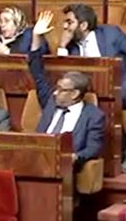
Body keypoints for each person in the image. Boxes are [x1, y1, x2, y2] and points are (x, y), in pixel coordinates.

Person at [28, 11, 106, 169]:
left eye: (61, 89)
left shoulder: (94, 115)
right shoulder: (51, 102)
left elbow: (93, 147)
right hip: (38, 158)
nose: (55, 92)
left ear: (75, 94)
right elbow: (37, 72)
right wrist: (36, 37)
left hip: (65, 164)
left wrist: (76, 157)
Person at [51, 4, 126, 114]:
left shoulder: (111, 35)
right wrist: (62, 47)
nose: (65, 27)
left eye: (69, 22)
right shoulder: (70, 45)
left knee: (88, 103)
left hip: (120, 91)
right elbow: (62, 75)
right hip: (86, 94)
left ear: (83, 25)